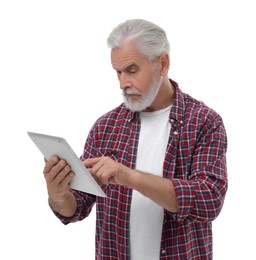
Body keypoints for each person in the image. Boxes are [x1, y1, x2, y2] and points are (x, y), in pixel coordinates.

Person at [43, 19, 228, 259]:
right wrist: (58, 194)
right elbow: (76, 206)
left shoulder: (204, 122)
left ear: (162, 64)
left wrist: (127, 175)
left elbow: (209, 199)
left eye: (132, 70)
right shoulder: (105, 127)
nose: (123, 83)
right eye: (118, 72)